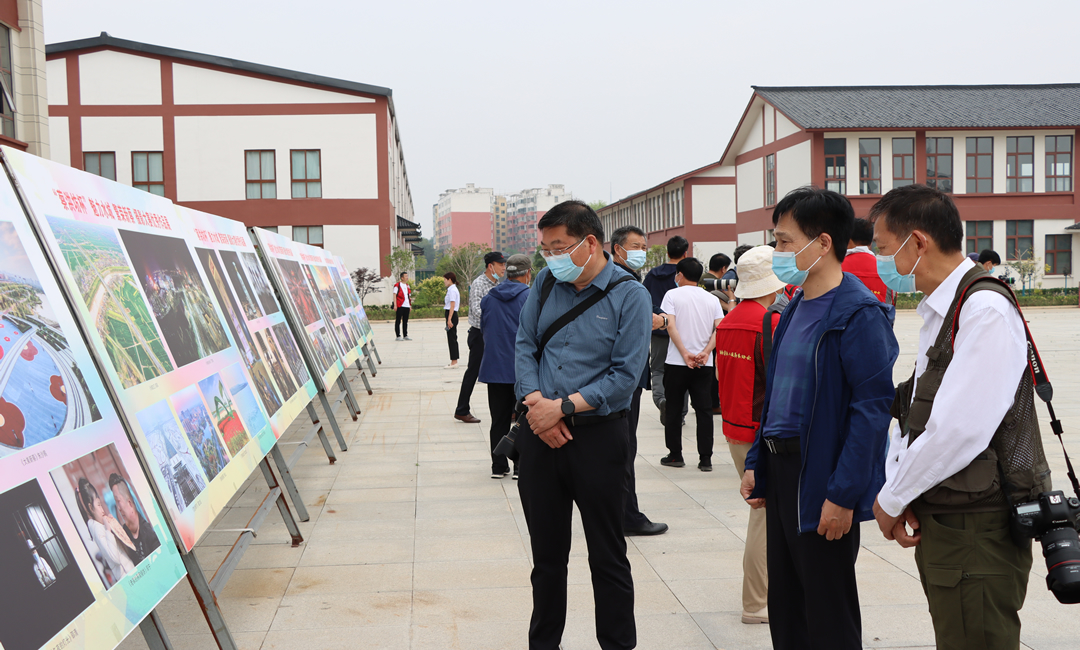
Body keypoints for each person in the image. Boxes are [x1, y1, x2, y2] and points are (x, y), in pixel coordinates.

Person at [869, 184, 1050, 649]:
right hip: (951, 519)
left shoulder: (983, 308)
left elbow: (959, 429)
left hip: (978, 527)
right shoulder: (946, 308)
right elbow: (916, 416)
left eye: (885, 249)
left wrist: (891, 498)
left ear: (918, 242)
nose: (881, 262)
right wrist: (905, 488)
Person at [739, 187, 898, 650]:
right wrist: (757, 463)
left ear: (823, 243)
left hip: (823, 476)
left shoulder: (859, 313)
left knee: (827, 612)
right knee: (786, 608)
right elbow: (776, 401)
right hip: (784, 469)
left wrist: (844, 494)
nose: (778, 253)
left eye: (785, 242)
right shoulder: (790, 310)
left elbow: (871, 412)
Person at [515, 200, 650, 650]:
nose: (550, 257)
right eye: (545, 248)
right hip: (540, 434)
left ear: (590, 243)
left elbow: (625, 376)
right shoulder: (545, 282)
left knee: (608, 556)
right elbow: (526, 344)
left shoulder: (630, 294)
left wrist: (564, 408)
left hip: (599, 438)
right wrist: (537, 405)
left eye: (559, 247)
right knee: (546, 560)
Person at [714, 244, 786, 625]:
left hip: (734, 427)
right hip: (761, 432)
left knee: (762, 511)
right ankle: (756, 603)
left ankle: (760, 599)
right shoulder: (770, 322)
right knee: (764, 515)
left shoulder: (728, 321)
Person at [611, 225, 668, 537]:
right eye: (635, 246)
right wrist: (659, 320)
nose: (641, 252)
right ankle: (628, 516)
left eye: (644, 246)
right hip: (623, 378)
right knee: (624, 448)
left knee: (619, 447)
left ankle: (621, 513)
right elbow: (640, 321)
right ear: (617, 247)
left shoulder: (612, 277)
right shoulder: (623, 281)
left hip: (618, 376)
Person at [659, 257, 724, 471]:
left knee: (674, 410)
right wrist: (705, 352)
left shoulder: (672, 295)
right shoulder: (712, 299)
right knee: (704, 410)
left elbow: (671, 327)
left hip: (677, 362)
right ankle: (705, 459)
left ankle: (675, 455)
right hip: (703, 364)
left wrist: (685, 353)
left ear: (679, 274)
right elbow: (719, 329)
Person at [479, 253, 531, 479]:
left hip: (495, 368)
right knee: (524, 419)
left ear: (507, 273)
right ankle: (520, 464)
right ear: (527, 273)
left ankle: (498, 466)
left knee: (498, 419)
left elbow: (484, 330)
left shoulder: (489, 297)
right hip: (523, 369)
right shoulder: (530, 298)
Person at [455, 252, 507, 423]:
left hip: (494, 334)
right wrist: (497, 317)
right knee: (473, 371)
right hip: (480, 335)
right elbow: (477, 310)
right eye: (501, 265)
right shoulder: (479, 284)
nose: (504, 268)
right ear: (490, 266)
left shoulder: (497, 284)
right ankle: (462, 409)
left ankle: (511, 409)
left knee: (502, 369)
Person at [643, 235, 689, 426]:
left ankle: (662, 401)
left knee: (658, 370)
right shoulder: (687, 275)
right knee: (683, 369)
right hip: (682, 331)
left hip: (659, 331)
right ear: (685, 253)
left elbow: (644, 299)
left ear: (667, 252)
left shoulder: (653, 274)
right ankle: (680, 413)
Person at [78, 477, 136, 582]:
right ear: (91, 508)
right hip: (128, 577)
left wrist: (116, 528)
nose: (102, 509)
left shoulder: (102, 526)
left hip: (131, 573)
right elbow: (115, 558)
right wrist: (109, 531)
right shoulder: (97, 529)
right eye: (99, 505)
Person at [109, 473, 160, 563]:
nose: (118, 508)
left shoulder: (149, 533)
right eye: (115, 503)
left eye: (118, 501)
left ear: (129, 503)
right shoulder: (124, 534)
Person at [842, 217, 892, 303]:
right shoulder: (885, 269)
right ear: (870, 242)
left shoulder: (836, 267)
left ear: (848, 241)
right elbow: (889, 304)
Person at [442, 272, 461, 368]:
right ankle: (454, 360)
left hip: (452, 315)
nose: (444, 282)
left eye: (445, 280)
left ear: (449, 279)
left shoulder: (452, 290)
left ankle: (454, 361)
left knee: (452, 338)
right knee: (451, 338)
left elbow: (452, 305)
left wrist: (449, 319)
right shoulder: (451, 289)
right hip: (451, 314)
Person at [392, 271, 413, 340]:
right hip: (400, 305)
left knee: (405, 321)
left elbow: (408, 297)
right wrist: (395, 305)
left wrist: (410, 305)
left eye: (407, 276)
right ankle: (398, 335)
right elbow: (394, 295)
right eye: (406, 276)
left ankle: (405, 335)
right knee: (398, 320)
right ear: (402, 278)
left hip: (406, 305)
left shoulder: (407, 286)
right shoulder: (397, 285)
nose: (407, 278)